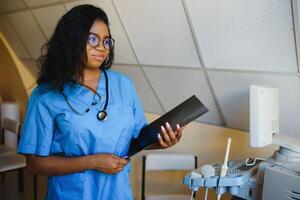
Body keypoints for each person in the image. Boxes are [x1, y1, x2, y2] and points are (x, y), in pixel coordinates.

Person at [17, 4, 184, 200]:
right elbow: (34, 163)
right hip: (71, 195)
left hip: (118, 193)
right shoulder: (46, 95)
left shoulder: (124, 85)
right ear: (72, 39)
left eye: (106, 41)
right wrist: (92, 162)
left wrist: (162, 141)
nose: (101, 48)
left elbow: (137, 139)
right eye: (92, 39)